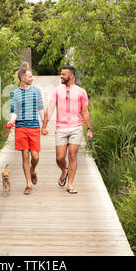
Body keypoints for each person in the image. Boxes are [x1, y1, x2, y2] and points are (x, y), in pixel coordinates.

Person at [41, 65, 92, 194]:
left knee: (72, 155)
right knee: (60, 158)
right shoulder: (57, 90)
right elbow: (50, 108)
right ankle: (64, 171)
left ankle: (70, 184)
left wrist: (89, 129)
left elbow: (85, 111)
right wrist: (45, 125)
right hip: (61, 127)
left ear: (71, 76)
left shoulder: (81, 92)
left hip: (76, 127)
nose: (61, 76)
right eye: (61, 74)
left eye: (64, 74)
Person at [7, 66, 44, 195]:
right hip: (21, 127)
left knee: (35, 156)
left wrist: (44, 125)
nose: (32, 79)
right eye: (30, 77)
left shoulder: (37, 91)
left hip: (34, 126)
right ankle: (28, 184)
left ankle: (33, 169)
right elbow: (14, 112)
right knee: (25, 155)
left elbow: (40, 109)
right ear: (23, 78)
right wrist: (11, 121)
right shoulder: (14, 94)